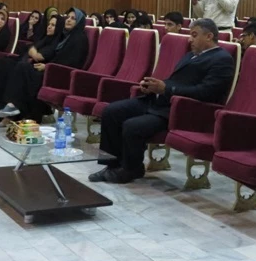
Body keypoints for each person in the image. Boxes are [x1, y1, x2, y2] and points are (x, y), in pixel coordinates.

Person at [89, 18, 235, 184]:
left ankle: (131, 169)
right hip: (160, 101)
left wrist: (166, 89)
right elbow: (175, 81)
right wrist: (153, 86)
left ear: (209, 36)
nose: (190, 40)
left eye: (194, 35)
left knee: (132, 126)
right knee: (111, 112)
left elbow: (206, 93)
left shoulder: (222, 59)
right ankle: (111, 165)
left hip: (181, 111)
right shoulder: (191, 56)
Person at [0, 15, 64, 126]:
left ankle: (10, 109)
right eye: (49, 24)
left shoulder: (57, 43)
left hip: (38, 73)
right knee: (3, 63)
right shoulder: (44, 39)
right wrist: (32, 50)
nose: (49, 27)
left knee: (19, 68)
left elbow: (39, 56)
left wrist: (32, 50)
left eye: (53, 25)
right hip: (27, 66)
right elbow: (30, 50)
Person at [0, 8, 89, 123]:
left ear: (79, 22)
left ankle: (21, 111)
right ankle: (12, 109)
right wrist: (48, 66)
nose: (69, 20)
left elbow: (72, 63)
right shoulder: (67, 36)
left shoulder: (79, 39)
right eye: (68, 17)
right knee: (17, 66)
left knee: (24, 69)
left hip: (63, 76)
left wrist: (47, 67)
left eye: (73, 18)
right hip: (53, 70)